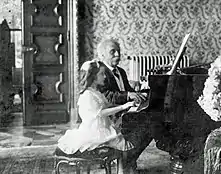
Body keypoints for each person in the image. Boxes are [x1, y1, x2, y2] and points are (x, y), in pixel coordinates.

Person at [56, 60, 137, 173]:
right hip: (95, 132)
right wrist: (123, 107)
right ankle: (124, 171)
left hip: (103, 127)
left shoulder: (95, 92)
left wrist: (128, 105)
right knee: (124, 142)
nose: (105, 77)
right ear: (93, 77)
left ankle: (123, 170)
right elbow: (101, 113)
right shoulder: (88, 95)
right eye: (101, 74)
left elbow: (106, 105)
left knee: (126, 138)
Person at [97, 38, 154, 172]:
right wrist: (129, 96)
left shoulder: (120, 71)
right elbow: (107, 95)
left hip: (124, 111)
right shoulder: (100, 72)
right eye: (113, 52)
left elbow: (127, 90)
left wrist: (140, 94)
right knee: (145, 125)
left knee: (151, 125)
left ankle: (129, 159)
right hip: (110, 114)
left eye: (118, 51)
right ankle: (126, 161)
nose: (117, 55)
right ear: (102, 55)